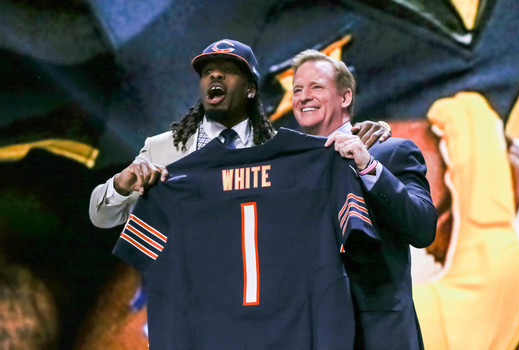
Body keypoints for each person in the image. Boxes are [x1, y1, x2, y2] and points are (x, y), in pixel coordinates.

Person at [89, 39, 391, 229]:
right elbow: (102, 217)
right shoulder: (160, 149)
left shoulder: (280, 149)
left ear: (250, 89)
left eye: (228, 70)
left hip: (262, 304)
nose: (215, 75)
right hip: (189, 305)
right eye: (208, 72)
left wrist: (371, 135)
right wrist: (120, 185)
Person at [291, 49, 437, 349]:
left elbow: (423, 228)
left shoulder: (390, 151)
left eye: (316, 86)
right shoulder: (287, 169)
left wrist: (369, 168)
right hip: (312, 334)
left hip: (380, 335)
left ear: (345, 98)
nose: (303, 96)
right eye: (297, 89)